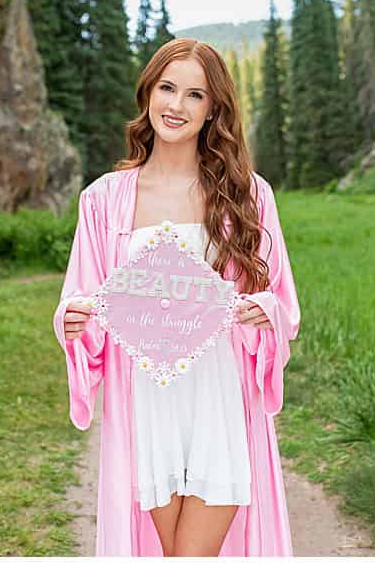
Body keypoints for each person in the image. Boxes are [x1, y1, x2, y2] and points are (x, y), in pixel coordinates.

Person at [54, 39, 299, 555]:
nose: (176, 106)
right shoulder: (103, 201)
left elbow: (281, 301)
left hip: (220, 397)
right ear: (148, 93)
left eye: (195, 95)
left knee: (193, 555)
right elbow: (86, 296)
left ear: (213, 111)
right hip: (147, 403)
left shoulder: (248, 195)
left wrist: (263, 313)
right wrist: (75, 320)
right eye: (167, 88)